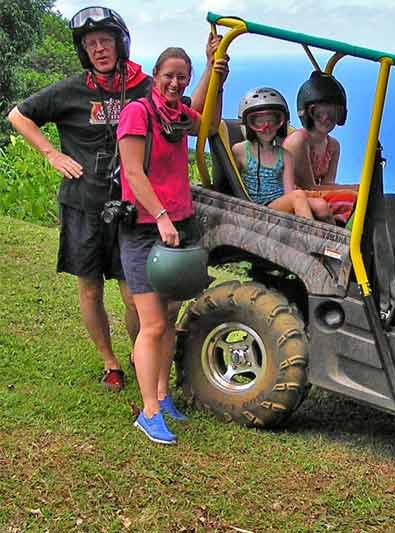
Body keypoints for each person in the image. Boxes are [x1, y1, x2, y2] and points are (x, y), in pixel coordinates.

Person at [7, 7, 150, 392]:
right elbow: (18, 115)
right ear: (83, 51)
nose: (99, 49)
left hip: (129, 206)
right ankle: (110, 362)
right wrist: (52, 154)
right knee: (90, 287)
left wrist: (213, 69)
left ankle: (141, 355)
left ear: (120, 43)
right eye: (91, 45)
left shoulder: (143, 86)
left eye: (105, 41)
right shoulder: (71, 89)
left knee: (134, 294)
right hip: (82, 204)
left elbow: (182, 111)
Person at [117, 47, 227, 444]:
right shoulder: (138, 114)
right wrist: (161, 215)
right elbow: (132, 170)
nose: (175, 83)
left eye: (183, 77)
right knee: (154, 324)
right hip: (146, 228)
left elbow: (210, 123)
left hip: (177, 228)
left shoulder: (177, 116)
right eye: (169, 76)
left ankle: (162, 396)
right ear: (154, 75)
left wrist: (218, 77)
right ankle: (147, 412)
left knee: (170, 319)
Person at [232, 87, 330, 220]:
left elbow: (288, 192)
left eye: (273, 122)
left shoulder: (285, 156)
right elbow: (232, 183)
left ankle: (335, 239)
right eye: (259, 122)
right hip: (257, 209)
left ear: (281, 124)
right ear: (248, 124)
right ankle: (309, 240)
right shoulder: (240, 151)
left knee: (321, 206)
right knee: (298, 196)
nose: (266, 128)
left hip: (279, 203)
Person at [283, 71, 345, 190]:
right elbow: (308, 186)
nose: (325, 118)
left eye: (332, 113)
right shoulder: (298, 141)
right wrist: (358, 189)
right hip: (294, 198)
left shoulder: (333, 145)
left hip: (315, 196)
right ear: (307, 113)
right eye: (319, 113)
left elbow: (328, 184)